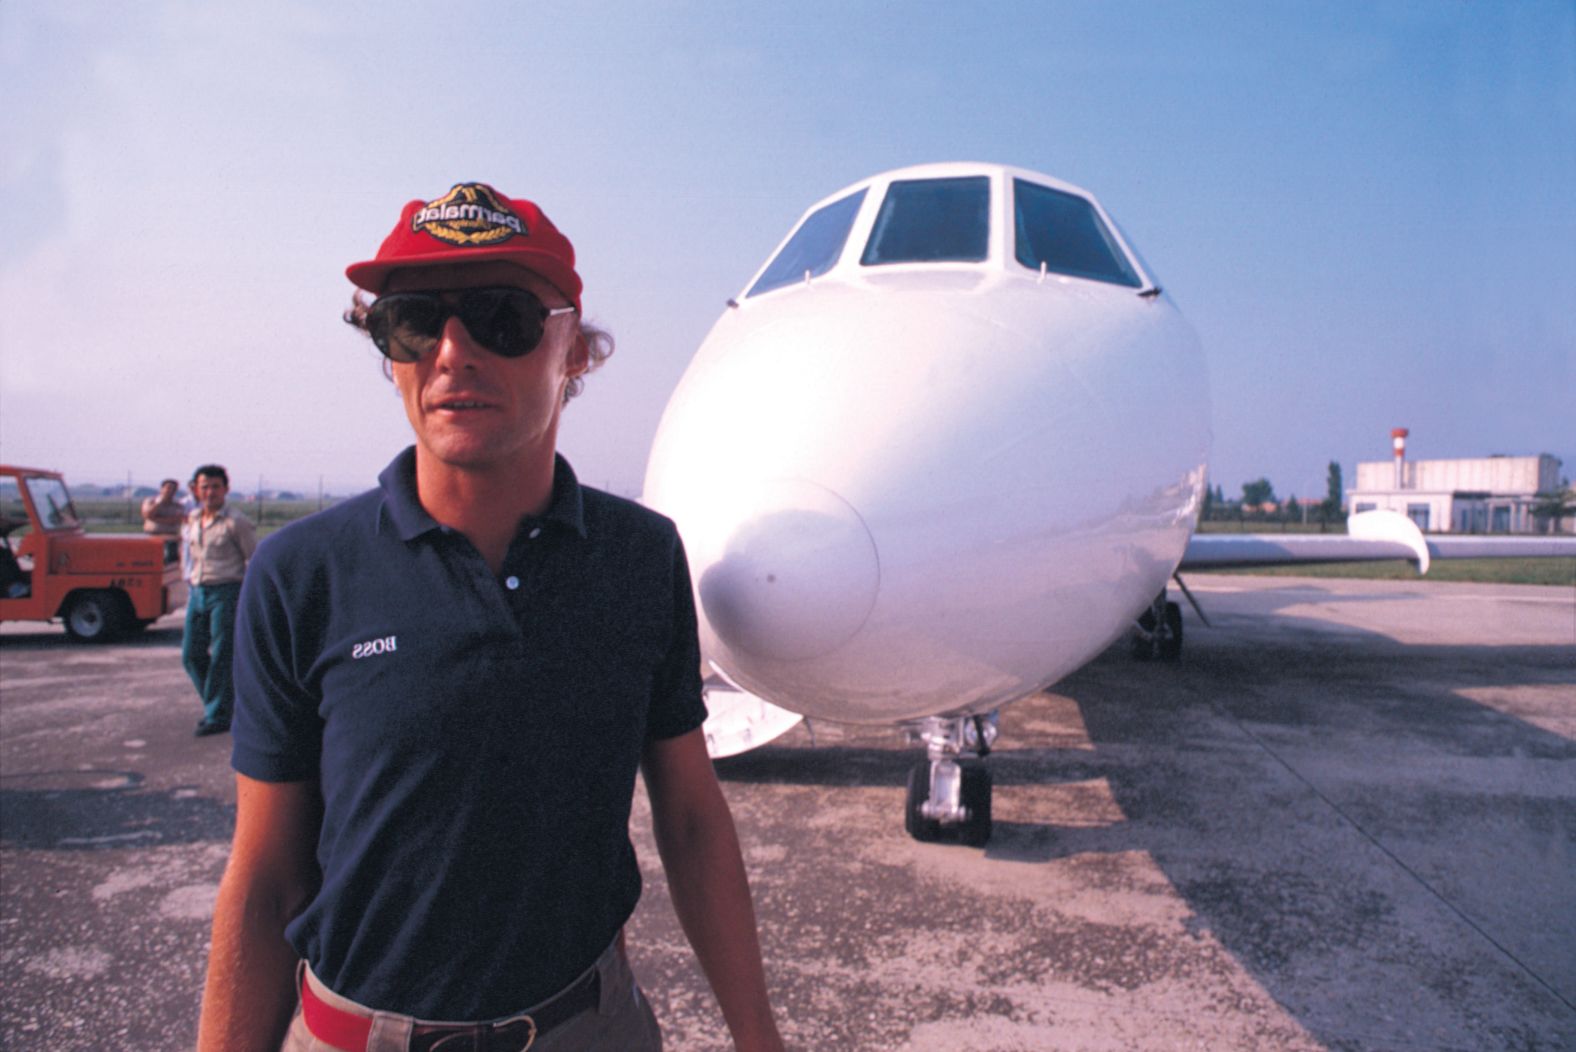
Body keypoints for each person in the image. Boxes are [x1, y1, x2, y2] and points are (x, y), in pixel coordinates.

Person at [197, 182, 784, 1052]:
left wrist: (757, 1036)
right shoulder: (303, 574)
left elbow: (692, 821)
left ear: (576, 351)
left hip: (588, 1029)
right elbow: (266, 877)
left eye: (500, 317)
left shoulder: (638, 558)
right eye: (411, 320)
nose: (451, 352)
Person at [183, 464, 257, 737]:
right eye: (204, 487)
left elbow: (254, 558)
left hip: (226, 591)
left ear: (226, 489)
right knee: (191, 655)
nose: (210, 492)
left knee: (223, 655)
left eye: (215, 486)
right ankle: (221, 706)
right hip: (198, 591)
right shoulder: (192, 519)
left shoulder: (235, 522)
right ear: (196, 490)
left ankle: (216, 715)